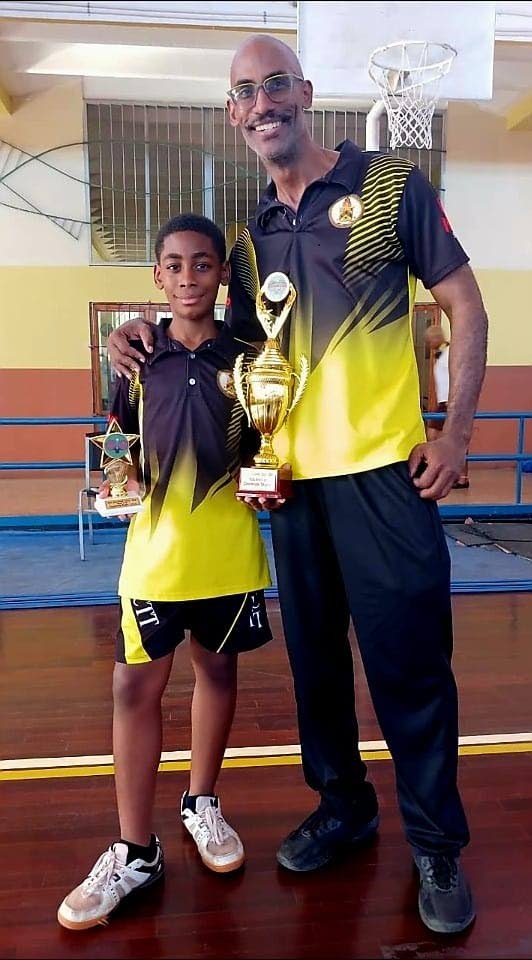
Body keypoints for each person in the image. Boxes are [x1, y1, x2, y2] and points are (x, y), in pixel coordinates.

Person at [106, 36, 488, 936]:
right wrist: (139, 331)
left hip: (385, 477)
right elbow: (227, 351)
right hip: (292, 492)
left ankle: (435, 843)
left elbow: (464, 305)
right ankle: (344, 807)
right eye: (244, 91)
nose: (262, 101)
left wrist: (458, 429)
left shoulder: (393, 188)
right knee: (317, 672)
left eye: (275, 83)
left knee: (410, 668)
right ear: (234, 114)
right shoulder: (247, 237)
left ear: (305, 94)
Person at [57, 214, 272, 931]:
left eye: (202, 264)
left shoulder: (249, 356)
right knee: (133, 687)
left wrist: (271, 475)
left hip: (229, 551)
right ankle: (134, 848)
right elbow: (118, 436)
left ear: (220, 274)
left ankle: (201, 801)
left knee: (217, 674)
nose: (188, 277)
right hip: (153, 555)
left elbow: (267, 444)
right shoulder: (136, 356)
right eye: (174, 265)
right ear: (156, 276)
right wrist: (114, 479)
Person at [425, 323, 470, 487]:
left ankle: (462, 476)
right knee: (434, 436)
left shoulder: (450, 353)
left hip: (450, 402)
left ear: (436, 338)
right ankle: (446, 472)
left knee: (446, 436)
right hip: (443, 402)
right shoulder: (441, 354)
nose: (428, 344)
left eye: (429, 340)